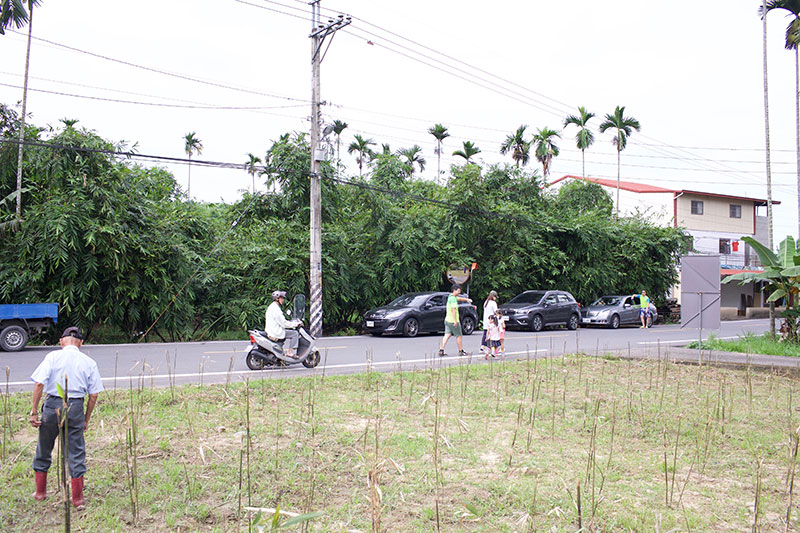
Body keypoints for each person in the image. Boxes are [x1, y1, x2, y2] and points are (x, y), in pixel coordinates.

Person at [29, 327, 103, 510]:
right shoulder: (89, 362)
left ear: (62, 342)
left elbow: (39, 383)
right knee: (76, 450)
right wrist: (85, 419)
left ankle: (40, 493)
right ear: (81, 343)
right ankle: (77, 499)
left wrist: (34, 411)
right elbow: (93, 395)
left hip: (53, 405)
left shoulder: (52, 357)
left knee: (44, 447)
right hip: (76, 406)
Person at [265, 290, 302, 358]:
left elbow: (282, 321)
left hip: (273, 330)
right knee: (295, 334)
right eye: (282, 298)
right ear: (277, 299)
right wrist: (295, 324)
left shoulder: (273, 307)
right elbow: (284, 323)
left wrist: (291, 323)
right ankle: (290, 352)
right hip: (275, 332)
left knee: (289, 332)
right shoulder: (275, 309)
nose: (283, 300)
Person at [438, 283, 472, 357]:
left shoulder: (451, 297)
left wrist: (466, 299)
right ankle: (461, 351)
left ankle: (441, 350)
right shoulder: (453, 299)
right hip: (453, 321)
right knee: (459, 335)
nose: (459, 292)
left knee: (446, 335)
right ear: (454, 290)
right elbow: (453, 310)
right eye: (458, 291)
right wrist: (455, 321)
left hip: (447, 320)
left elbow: (459, 298)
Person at [481, 290, 498, 356]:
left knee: (485, 333)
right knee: (492, 335)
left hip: (486, 320)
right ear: (493, 297)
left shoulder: (486, 302)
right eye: (495, 297)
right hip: (491, 321)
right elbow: (496, 312)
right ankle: (492, 348)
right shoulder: (493, 303)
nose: (495, 298)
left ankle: (482, 346)